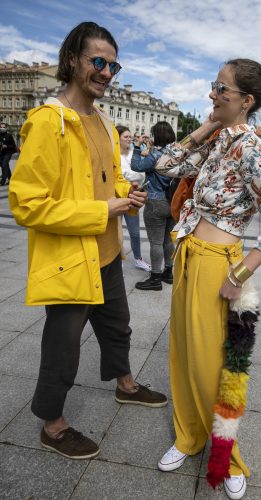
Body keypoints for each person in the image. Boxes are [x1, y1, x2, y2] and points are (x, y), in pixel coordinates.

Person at [8, 22, 167, 460]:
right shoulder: (48, 122)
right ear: (73, 59)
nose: (107, 71)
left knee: (118, 327)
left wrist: (125, 196)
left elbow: (110, 178)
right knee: (62, 346)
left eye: (113, 64)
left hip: (108, 252)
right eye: (98, 61)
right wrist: (104, 211)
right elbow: (26, 204)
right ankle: (53, 426)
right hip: (69, 260)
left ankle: (126, 386)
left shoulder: (103, 121)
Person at [151, 59, 261, 499]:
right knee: (183, 351)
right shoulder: (215, 138)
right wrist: (205, 127)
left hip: (218, 262)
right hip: (188, 253)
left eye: (222, 90)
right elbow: (165, 165)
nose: (213, 94)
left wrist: (240, 273)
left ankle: (226, 455)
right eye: (214, 86)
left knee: (215, 364)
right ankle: (189, 437)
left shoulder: (252, 150)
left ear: (247, 101)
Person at [131, 121, 177, 290]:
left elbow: (136, 166)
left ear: (157, 135)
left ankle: (155, 278)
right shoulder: (177, 153)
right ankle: (168, 272)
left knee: (156, 242)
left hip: (155, 201)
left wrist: (137, 148)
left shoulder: (156, 155)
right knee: (167, 240)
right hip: (172, 201)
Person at [116, 125, 151, 271]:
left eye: (130, 137)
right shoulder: (114, 155)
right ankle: (118, 261)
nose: (129, 139)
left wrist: (128, 175)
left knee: (135, 232)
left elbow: (141, 174)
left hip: (133, 196)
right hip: (116, 196)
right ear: (117, 138)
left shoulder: (134, 153)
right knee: (116, 233)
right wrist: (131, 175)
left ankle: (138, 259)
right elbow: (122, 175)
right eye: (126, 137)